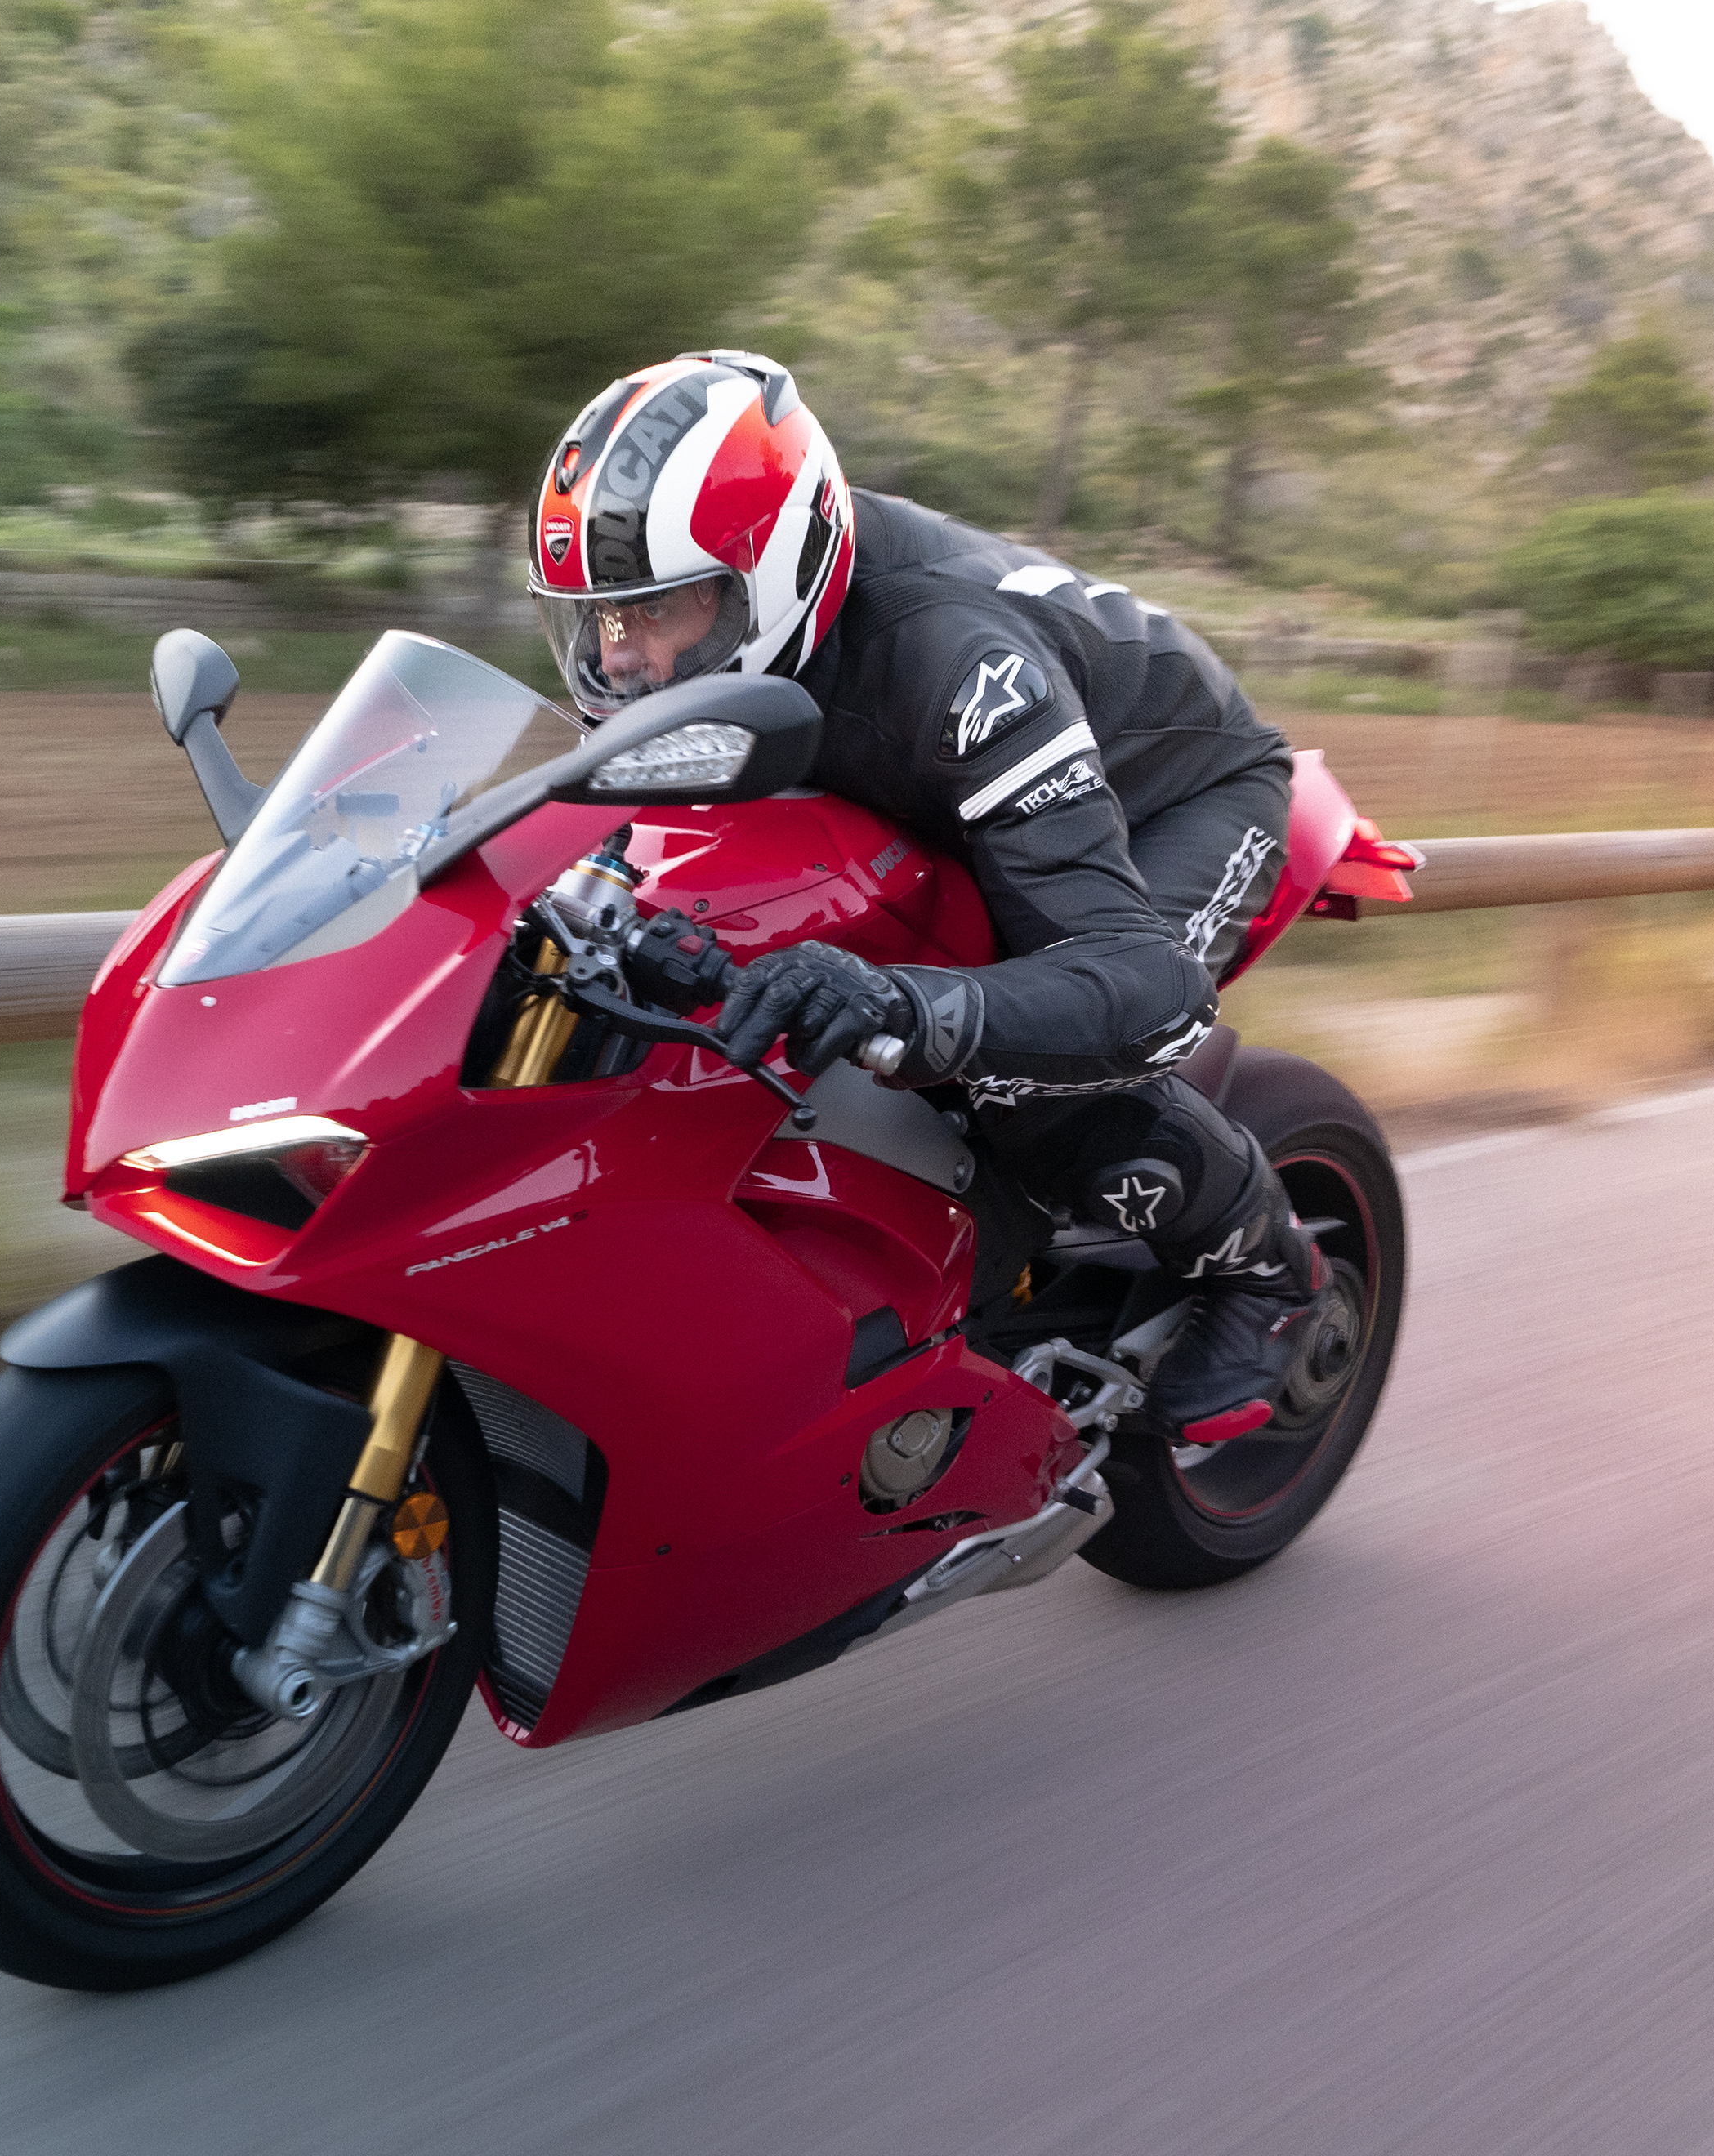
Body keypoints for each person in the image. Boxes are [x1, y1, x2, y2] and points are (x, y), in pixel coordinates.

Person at [527, 349, 1320, 1444]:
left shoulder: (960, 664)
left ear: (778, 567)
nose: (622, 662)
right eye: (599, 621)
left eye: (658, 612)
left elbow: (1149, 988)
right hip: (954, 791)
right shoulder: (701, 645)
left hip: (1171, 798)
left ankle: (1271, 1275)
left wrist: (900, 1002)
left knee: (1025, 1078)